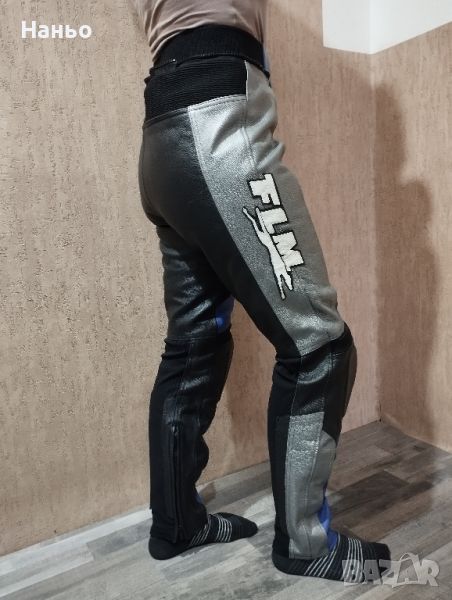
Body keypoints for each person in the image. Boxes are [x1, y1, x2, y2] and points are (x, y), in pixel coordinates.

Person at [131, 0, 391, 583]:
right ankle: (305, 542)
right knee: (319, 346)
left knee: (194, 344)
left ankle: (177, 524)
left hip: (162, 138)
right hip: (218, 124)